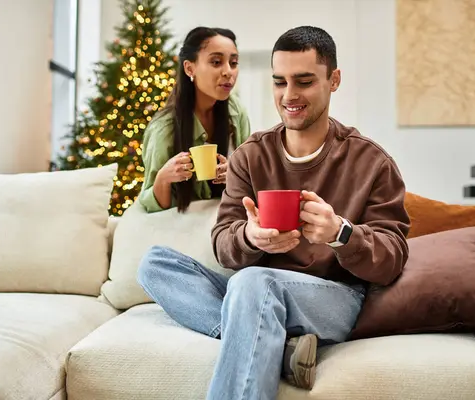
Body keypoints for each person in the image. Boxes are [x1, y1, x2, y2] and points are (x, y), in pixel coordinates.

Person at [137, 25, 410, 399]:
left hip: (334, 297)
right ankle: (280, 350)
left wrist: (340, 233)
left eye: (304, 81)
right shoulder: (251, 156)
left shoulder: (370, 161)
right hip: (256, 289)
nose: (289, 95)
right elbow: (223, 243)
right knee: (155, 264)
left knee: (252, 283)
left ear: (334, 80)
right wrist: (248, 237)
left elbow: (392, 258)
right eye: (279, 82)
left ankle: (257, 332)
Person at [138, 26, 251, 213]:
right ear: (190, 68)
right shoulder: (164, 127)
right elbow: (153, 208)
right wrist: (164, 178)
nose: (228, 72)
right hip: (181, 227)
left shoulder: (236, 111)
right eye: (216, 62)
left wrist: (237, 173)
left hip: (225, 222)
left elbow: (251, 178)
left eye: (233, 62)